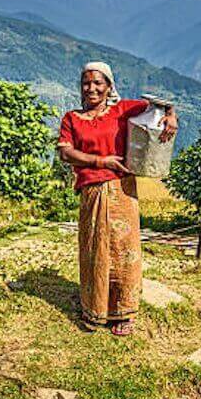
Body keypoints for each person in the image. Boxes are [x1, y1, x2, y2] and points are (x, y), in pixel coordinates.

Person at [57, 61, 178, 335]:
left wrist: (171, 116)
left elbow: (159, 108)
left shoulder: (122, 110)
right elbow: (65, 152)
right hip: (92, 191)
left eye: (98, 83)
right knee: (95, 250)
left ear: (109, 86)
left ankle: (124, 312)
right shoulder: (72, 118)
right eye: (86, 83)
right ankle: (95, 308)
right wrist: (101, 162)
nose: (91, 88)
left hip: (122, 190)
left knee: (124, 251)